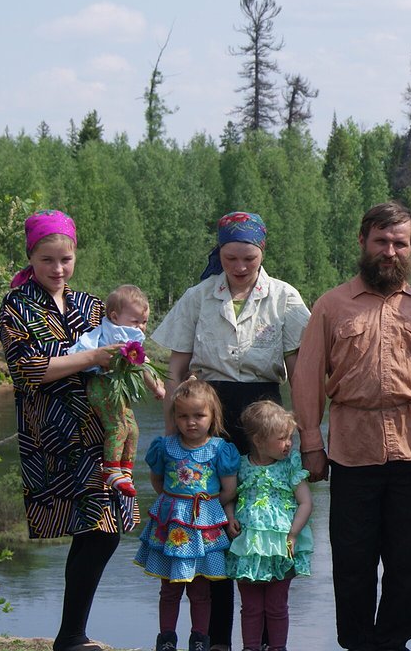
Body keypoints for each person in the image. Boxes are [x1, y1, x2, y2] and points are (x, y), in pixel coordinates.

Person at [294, 202, 411, 651]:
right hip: (351, 450)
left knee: (407, 561)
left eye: (399, 243)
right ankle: (358, 642)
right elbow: (307, 378)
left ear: (410, 249)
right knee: (352, 560)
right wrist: (311, 442)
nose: (390, 251)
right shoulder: (331, 306)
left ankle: (394, 642)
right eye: (381, 241)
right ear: (363, 242)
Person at [152, 211, 310, 651]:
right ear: (219, 253)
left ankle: (264, 641)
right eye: (230, 258)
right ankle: (214, 638)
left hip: (266, 412)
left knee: (264, 519)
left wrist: (305, 431)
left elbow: (299, 373)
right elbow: (178, 368)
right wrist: (173, 436)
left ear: (262, 253)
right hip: (207, 410)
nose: (239, 267)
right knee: (214, 525)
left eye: (248, 258)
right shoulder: (200, 295)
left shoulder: (284, 297)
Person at [0, 209, 137, 651]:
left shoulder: (93, 305)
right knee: (95, 527)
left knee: (104, 527)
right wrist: (92, 358)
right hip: (52, 433)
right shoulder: (16, 305)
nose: (58, 269)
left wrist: (133, 363)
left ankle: (71, 635)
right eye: (47, 260)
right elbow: (27, 371)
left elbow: (122, 351)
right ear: (31, 258)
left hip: (99, 429)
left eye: (66, 259)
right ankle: (71, 636)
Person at [135, 378, 239, 651]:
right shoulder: (166, 447)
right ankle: (167, 639)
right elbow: (157, 480)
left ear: (212, 415)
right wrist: (173, 502)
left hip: (204, 527)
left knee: (201, 590)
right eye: (183, 416)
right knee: (169, 588)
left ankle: (199, 639)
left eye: (198, 415)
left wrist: (207, 508)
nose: (191, 422)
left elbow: (229, 489)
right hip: (173, 525)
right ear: (174, 417)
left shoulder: (220, 449)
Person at [225, 401, 313, 651]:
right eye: (282, 438)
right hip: (248, 548)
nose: (288, 443)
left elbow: (306, 502)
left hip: (281, 546)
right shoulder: (240, 466)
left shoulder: (290, 467)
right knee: (251, 607)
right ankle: (250, 647)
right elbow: (230, 497)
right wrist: (230, 516)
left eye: (290, 437)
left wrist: (293, 534)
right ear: (259, 440)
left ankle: (278, 648)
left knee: (276, 605)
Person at [67, 284, 167, 497]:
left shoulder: (124, 332)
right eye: (135, 321)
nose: (140, 327)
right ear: (114, 316)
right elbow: (141, 364)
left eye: (144, 322)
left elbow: (142, 363)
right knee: (118, 427)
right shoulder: (118, 336)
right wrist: (156, 387)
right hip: (102, 387)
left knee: (133, 429)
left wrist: (158, 386)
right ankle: (111, 469)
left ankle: (125, 469)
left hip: (115, 390)